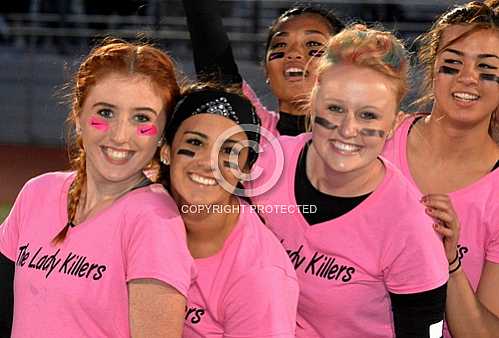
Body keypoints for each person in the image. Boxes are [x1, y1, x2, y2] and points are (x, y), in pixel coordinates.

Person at [248, 25, 449, 338]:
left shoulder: (410, 226)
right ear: (312, 103)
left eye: (368, 116)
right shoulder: (267, 165)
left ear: (394, 124)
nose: (347, 129)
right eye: (335, 108)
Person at [0, 38, 193, 338]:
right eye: (105, 112)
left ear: (162, 134)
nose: (119, 135)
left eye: (141, 118)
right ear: (78, 115)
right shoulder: (37, 193)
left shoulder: (155, 222)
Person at [383, 1, 499, 337]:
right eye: (452, 64)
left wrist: (449, 262)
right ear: (432, 66)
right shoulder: (378, 137)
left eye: (487, 70)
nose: (467, 79)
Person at [159, 84, 299, 337]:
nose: (207, 162)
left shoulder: (261, 276)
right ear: (166, 151)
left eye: (228, 150)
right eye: (195, 142)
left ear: (246, 169)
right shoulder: (140, 210)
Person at [182, 0, 344, 136]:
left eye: (313, 44)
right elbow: (208, 40)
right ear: (266, 70)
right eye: (280, 45)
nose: (293, 53)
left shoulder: (358, 141)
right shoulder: (250, 131)